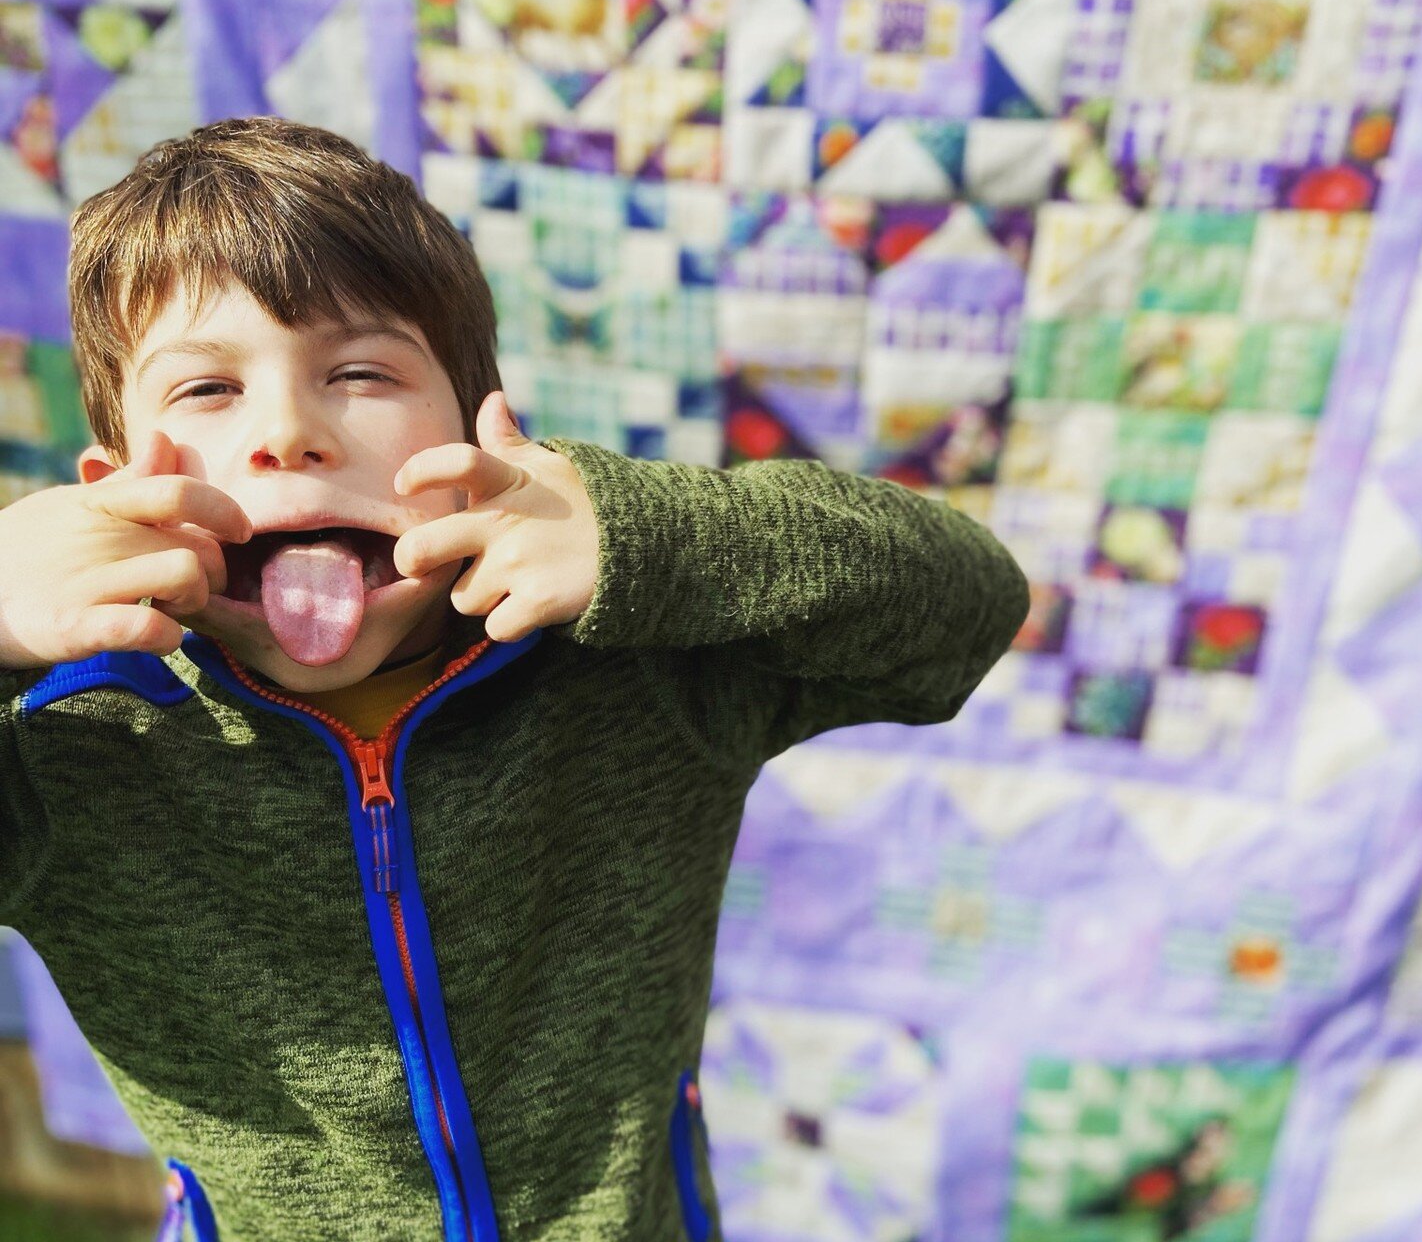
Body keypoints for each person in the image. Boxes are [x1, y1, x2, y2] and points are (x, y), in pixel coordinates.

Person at [0, 116, 1029, 1242]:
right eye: (206, 391)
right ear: (106, 492)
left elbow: (963, 611)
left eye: (359, 370)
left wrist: (641, 535)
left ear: (487, 437)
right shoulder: (71, 738)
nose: (287, 431)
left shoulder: (639, 664)